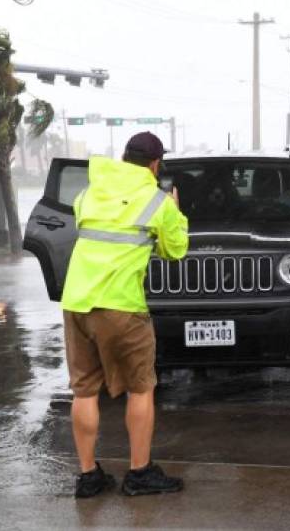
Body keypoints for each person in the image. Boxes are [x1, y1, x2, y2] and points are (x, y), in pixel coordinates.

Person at [60, 132, 189, 498]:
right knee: (140, 387)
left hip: (77, 302)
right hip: (121, 305)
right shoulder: (156, 201)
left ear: (123, 157)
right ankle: (139, 472)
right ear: (155, 164)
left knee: (83, 391)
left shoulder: (88, 193)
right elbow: (175, 250)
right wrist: (175, 212)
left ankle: (88, 477)